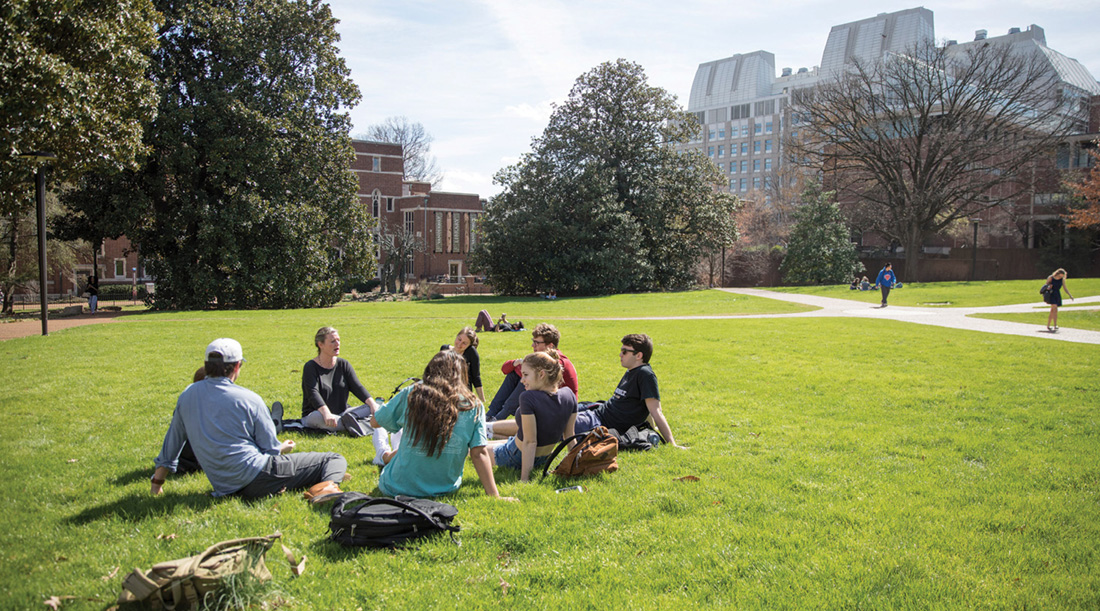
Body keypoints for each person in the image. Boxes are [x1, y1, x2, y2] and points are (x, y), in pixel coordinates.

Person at [152, 338, 348, 503]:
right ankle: (327, 489)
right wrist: (283, 448)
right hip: (258, 477)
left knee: (312, 467)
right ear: (237, 366)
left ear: (206, 366)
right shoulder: (249, 399)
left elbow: (172, 442)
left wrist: (157, 484)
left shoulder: (187, 395)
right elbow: (270, 450)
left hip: (224, 485)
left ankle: (320, 479)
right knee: (334, 459)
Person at [370, 350, 515, 500]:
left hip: (398, 487)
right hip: (444, 489)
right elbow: (479, 453)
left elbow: (375, 422)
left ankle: (383, 455)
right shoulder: (474, 406)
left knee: (402, 435)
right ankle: (386, 454)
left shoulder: (412, 394)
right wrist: (494, 495)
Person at [573, 333, 687, 450]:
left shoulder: (645, 374)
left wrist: (673, 444)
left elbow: (656, 411)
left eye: (624, 351)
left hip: (599, 423)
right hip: (596, 412)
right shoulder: (632, 371)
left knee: (561, 422)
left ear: (638, 355)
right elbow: (645, 406)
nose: (620, 354)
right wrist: (651, 427)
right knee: (563, 413)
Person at [487, 350, 577, 482]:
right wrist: (576, 466)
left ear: (541, 374)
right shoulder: (568, 394)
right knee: (494, 442)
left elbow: (530, 442)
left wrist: (525, 479)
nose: (522, 380)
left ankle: (481, 433)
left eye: (525, 375)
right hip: (544, 457)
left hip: (516, 455)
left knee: (476, 449)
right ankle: (486, 431)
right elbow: (569, 437)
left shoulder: (528, 397)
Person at [485, 323, 579, 434]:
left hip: (558, 411)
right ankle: (490, 416)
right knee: (514, 376)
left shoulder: (556, 362)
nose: (532, 346)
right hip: (548, 402)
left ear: (550, 346)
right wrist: (516, 363)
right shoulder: (541, 359)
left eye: (536, 343)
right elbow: (505, 369)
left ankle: (493, 423)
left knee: (527, 383)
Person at [301, 326, 376, 432]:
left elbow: (357, 387)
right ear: (320, 344)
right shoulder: (310, 367)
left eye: (338, 340)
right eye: (332, 341)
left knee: (374, 407)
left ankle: (352, 424)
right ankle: (364, 424)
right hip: (318, 414)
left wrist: (373, 404)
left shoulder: (343, 364)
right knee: (317, 417)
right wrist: (326, 413)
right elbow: (313, 393)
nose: (337, 344)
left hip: (343, 413)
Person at [448, 326, 484, 403]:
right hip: (446, 391)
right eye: (459, 339)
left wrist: (482, 401)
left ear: (469, 345)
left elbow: (476, 378)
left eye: (464, 343)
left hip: (463, 394)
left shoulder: (471, 353)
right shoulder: (445, 350)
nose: (459, 344)